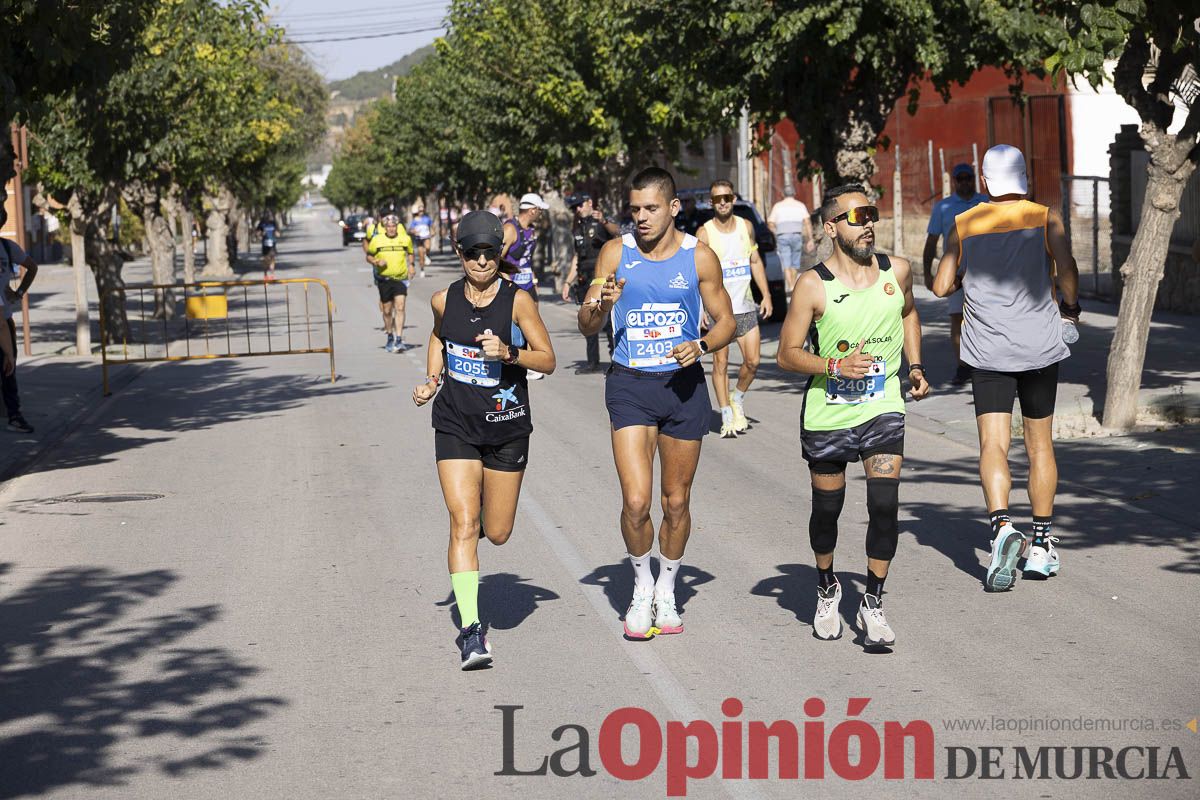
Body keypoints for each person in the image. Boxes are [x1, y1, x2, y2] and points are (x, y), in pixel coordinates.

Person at [578, 167, 735, 639]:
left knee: (676, 501)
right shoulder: (615, 252)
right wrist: (602, 305)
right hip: (630, 385)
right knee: (635, 501)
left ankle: (667, 587)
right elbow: (587, 324)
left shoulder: (699, 257)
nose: (641, 218)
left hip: (683, 387)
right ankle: (641, 584)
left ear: (673, 207)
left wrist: (701, 345)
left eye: (650, 208)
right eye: (635, 210)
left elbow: (728, 322)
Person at [777, 183, 929, 649]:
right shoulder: (812, 284)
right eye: (857, 217)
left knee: (884, 505)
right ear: (830, 227)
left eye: (872, 214)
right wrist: (834, 366)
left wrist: (915, 365)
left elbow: (908, 313)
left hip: (882, 407)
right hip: (829, 413)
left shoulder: (897, 270)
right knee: (828, 510)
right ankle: (827, 585)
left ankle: (873, 601)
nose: (868, 224)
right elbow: (786, 354)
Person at [412, 210, 556, 669]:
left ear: (500, 253)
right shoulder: (443, 300)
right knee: (463, 522)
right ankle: (471, 632)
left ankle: (482, 521)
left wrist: (510, 353)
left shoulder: (518, 302)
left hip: (507, 427)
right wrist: (431, 379)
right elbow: (438, 338)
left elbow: (548, 359)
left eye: (489, 253)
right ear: (459, 253)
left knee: (497, 532)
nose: (480, 261)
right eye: (472, 253)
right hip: (455, 423)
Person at [933, 144, 1080, 591]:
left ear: (985, 180)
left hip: (988, 350)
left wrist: (964, 273)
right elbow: (1067, 270)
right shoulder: (1045, 217)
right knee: (1040, 445)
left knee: (993, 444)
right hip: (1039, 347)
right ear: (1023, 177)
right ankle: (1041, 545)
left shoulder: (964, 223)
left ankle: (1001, 528)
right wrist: (1070, 308)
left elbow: (940, 286)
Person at [696, 180, 772, 437]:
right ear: (711, 202)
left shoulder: (746, 226)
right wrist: (700, 308)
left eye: (727, 197)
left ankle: (737, 397)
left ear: (733, 199)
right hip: (719, 312)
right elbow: (696, 274)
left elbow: (755, 261)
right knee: (721, 363)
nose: (723, 203)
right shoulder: (704, 233)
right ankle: (726, 415)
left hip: (746, 306)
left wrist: (766, 295)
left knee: (753, 362)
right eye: (717, 199)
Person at [923, 163, 988, 385]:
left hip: (987, 273)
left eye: (968, 178)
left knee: (987, 318)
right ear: (954, 181)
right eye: (960, 179)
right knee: (958, 318)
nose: (965, 182)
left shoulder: (986, 203)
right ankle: (963, 366)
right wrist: (928, 273)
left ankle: (988, 364)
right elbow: (931, 240)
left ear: (974, 179)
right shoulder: (943, 207)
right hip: (957, 272)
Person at [561, 193, 619, 373]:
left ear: (589, 203)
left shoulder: (602, 221)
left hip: (603, 279)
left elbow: (617, 233)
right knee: (588, 318)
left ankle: (616, 362)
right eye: (574, 208)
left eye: (580, 205)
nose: (578, 210)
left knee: (609, 323)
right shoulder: (578, 227)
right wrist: (567, 282)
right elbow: (577, 256)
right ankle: (592, 362)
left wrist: (604, 221)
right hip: (585, 279)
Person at [365, 206, 415, 352]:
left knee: (400, 307)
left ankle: (399, 338)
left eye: (394, 226)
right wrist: (376, 261)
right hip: (384, 279)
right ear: (385, 227)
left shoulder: (405, 239)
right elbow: (368, 256)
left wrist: (411, 265)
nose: (391, 229)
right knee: (387, 311)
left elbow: (410, 252)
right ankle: (389, 335)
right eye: (389, 226)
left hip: (400, 278)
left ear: (397, 227)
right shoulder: (377, 240)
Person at [1, 235, 38, 433]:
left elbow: (32, 267)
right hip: (2, 322)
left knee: (9, 369)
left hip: (4, 319)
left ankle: (14, 415)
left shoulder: (7, 247)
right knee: (8, 364)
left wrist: (19, 292)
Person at [767, 192, 816, 296]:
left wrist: (776, 233)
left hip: (782, 236)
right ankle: (793, 285)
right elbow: (807, 222)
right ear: (794, 194)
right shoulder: (800, 205)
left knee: (786, 261)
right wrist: (810, 239)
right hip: (796, 235)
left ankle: (790, 286)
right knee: (795, 261)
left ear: (783, 194)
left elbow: (770, 222)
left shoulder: (778, 206)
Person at [501, 193, 548, 301]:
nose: (541, 214)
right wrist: (507, 280)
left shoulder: (531, 230)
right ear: (533, 211)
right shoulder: (510, 229)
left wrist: (534, 281)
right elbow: (496, 259)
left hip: (528, 286)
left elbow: (527, 259)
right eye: (540, 210)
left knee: (534, 311)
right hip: (511, 287)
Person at [409, 203, 433, 276]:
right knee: (421, 255)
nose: (421, 212)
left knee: (428, 247)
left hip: (426, 236)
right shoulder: (415, 220)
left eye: (422, 211)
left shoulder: (427, 219)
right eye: (420, 211)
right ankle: (422, 269)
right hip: (419, 238)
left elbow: (432, 227)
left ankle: (427, 255)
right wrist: (414, 232)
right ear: (417, 212)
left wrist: (432, 232)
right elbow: (411, 230)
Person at [256, 214, 278, 280]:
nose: (268, 218)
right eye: (267, 217)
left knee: (272, 259)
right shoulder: (262, 224)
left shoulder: (273, 223)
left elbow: (278, 233)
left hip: (272, 244)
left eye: (269, 216)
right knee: (266, 260)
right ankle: (265, 275)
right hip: (265, 244)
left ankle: (272, 275)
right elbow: (257, 233)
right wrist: (261, 234)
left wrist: (277, 234)